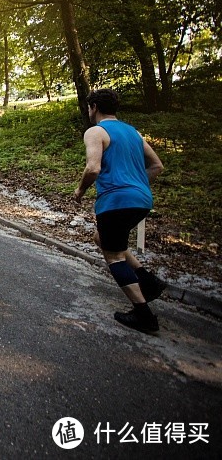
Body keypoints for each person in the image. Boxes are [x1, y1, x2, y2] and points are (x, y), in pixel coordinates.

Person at [74, 88, 166, 333]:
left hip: (116, 201)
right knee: (102, 239)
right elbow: (157, 165)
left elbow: (93, 168)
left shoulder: (95, 131)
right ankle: (148, 281)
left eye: (89, 107)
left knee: (113, 256)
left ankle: (143, 314)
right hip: (142, 199)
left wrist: (80, 190)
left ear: (94, 107)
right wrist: (137, 185)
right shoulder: (133, 132)